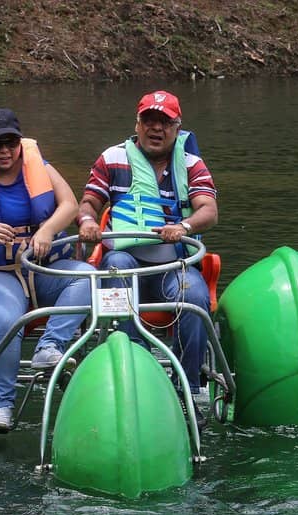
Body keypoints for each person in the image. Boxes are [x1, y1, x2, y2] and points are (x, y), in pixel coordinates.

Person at [0, 108, 93, 433]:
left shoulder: (42, 170)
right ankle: (2, 406)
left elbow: (69, 204)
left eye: (11, 143)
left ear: (21, 142)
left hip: (42, 269)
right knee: (7, 319)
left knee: (86, 278)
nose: (6, 151)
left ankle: (48, 348)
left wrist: (47, 230)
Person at [77, 90, 218, 429]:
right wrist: (87, 222)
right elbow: (88, 202)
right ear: (137, 124)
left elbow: (209, 211)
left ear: (177, 126)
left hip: (173, 264)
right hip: (126, 260)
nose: (157, 129)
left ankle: (187, 387)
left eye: (165, 122)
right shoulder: (112, 158)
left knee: (195, 295)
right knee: (116, 267)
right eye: (149, 121)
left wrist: (182, 226)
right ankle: (138, 374)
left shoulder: (190, 164)